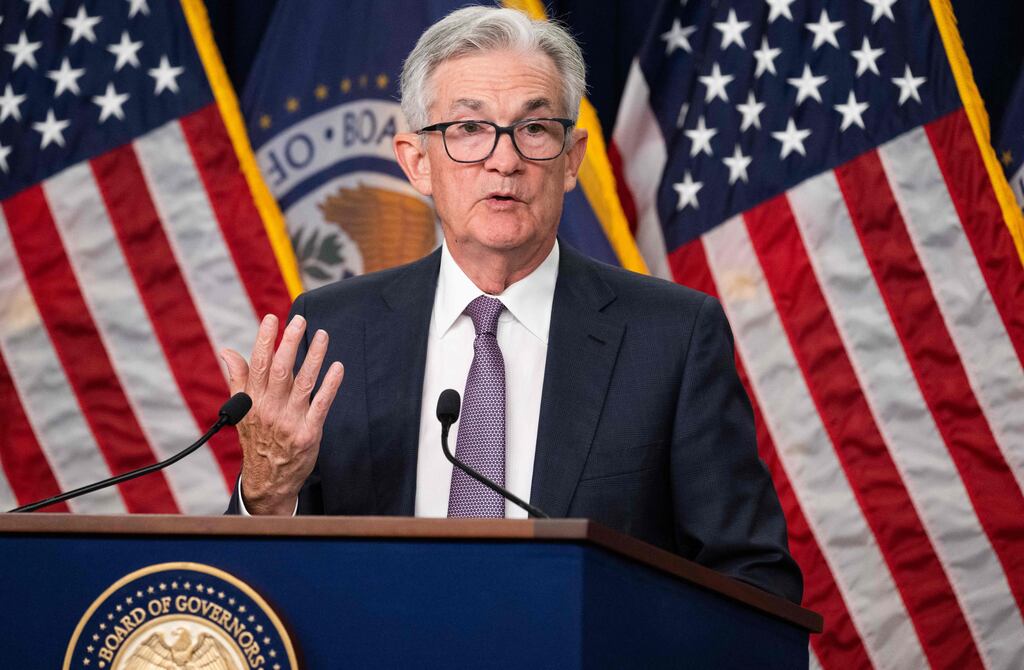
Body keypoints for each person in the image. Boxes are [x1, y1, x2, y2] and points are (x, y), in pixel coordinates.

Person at [222, 6, 802, 603]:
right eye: (469, 130)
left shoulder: (672, 337)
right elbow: (254, 588)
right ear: (417, 161)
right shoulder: (335, 329)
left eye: (534, 128)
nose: (505, 160)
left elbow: (755, 582)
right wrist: (266, 493)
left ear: (571, 158)